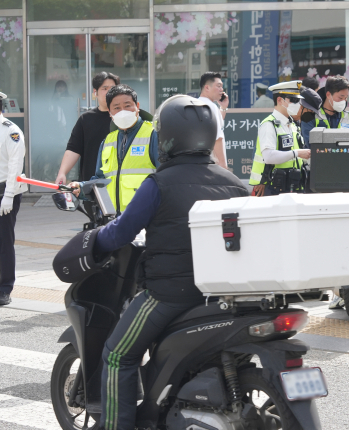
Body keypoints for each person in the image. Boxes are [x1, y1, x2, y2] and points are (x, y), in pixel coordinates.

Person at [90, 95, 249, 430]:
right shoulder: (235, 184)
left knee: (118, 355)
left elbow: (121, 232)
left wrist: (93, 240)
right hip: (223, 294)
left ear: (165, 137)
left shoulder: (158, 183)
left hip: (169, 293)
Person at [69, 85, 158, 215]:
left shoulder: (153, 135)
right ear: (110, 113)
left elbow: (166, 177)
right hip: (115, 220)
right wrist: (81, 188)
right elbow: (100, 180)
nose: (123, 111)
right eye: (116, 108)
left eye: (128, 105)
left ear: (137, 106)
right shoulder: (107, 141)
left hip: (146, 217)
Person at [55, 72, 120, 185]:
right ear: (95, 92)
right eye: (105, 88)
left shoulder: (124, 118)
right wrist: (62, 173)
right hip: (90, 183)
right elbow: (74, 149)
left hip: (119, 184)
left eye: (113, 88)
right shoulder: (86, 119)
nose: (109, 91)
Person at [248, 81, 311, 196]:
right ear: (280, 100)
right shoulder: (269, 125)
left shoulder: (292, 125)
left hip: (293, 187)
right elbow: (269, 157)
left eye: (298, 101)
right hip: (275, 189)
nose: (297, 104)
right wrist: (296, 153)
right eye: (293, 100)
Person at [0, 91, 28, 305]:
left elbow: (14, 166)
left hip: (5, 189)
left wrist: (8, 195)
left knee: (3, 240)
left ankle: (4, 287)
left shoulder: (10, 132)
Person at [300, 75, 349, 145]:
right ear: (328, 95)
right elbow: (310, 145)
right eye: (340, 98)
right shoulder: (310, 115)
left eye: (346, 98)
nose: (344, 101)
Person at [199, 72, 228, 168]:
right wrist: (223, 164)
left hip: (200, 163)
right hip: (213, 165)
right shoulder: (211, 107)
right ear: (207, 88)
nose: (222, 89)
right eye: (218, 86)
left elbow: (215, 124)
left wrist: (223, 107)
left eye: (222, 86)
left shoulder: (196, 104)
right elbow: (217, 137)